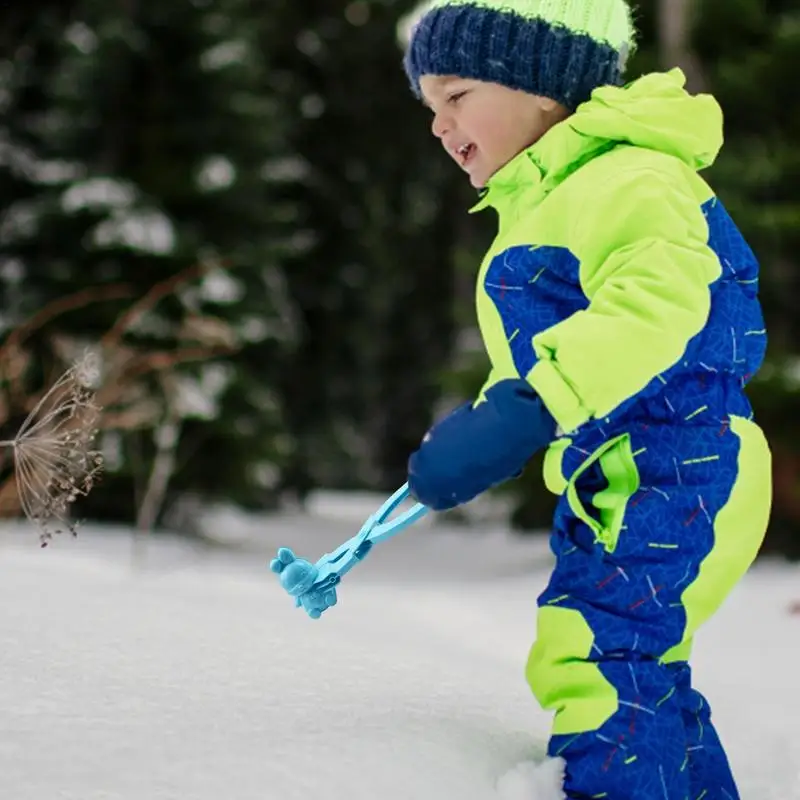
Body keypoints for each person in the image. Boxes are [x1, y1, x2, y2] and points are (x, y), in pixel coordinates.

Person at [402, 1, 773, 798]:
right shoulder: (548, 201)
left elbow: (663, 299)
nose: (438, 124)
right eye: (429, 106)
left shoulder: (630, 177)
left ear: (539, 83)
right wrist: (487, 425)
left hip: (682, 458)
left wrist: (532, 405)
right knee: (640, 666)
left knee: (594, 652)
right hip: (634, 471)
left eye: (457, 94)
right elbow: (552, 353)